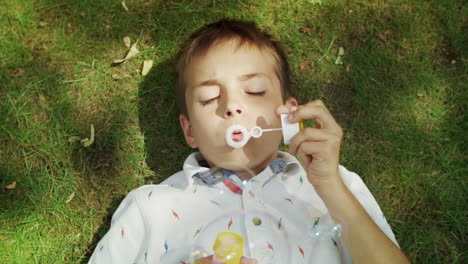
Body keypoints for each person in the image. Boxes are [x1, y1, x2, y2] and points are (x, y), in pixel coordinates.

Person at [88, 19, 409, 264]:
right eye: (209, 96)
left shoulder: (338, 189)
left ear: (289, 114)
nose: (231, 105)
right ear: (190, 132)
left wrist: (329, 185)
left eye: (254, 90)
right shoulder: (150, 208)